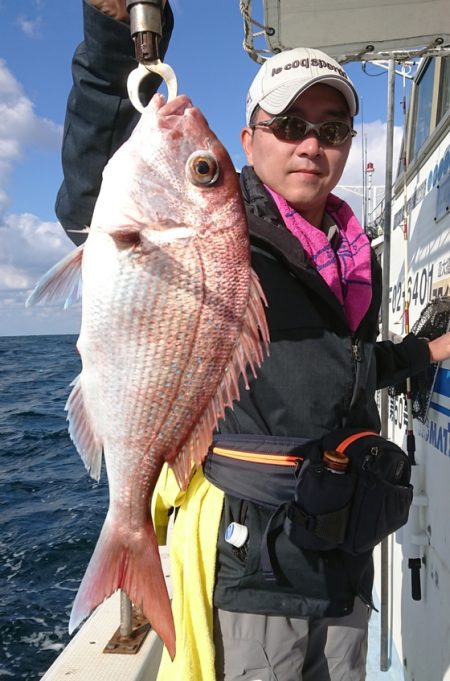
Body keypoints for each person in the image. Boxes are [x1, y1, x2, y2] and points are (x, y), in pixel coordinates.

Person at [56, 3, 450, 680]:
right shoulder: (228, 228)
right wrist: (110, 43)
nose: (311, 144)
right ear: (250, 137)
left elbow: (342, 367)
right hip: (259, 555)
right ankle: (128, 533)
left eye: (331, 129)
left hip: (345, 548)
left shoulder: (354, 248)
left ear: (350, 143)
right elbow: (90, 189)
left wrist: (428, 353)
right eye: (291, 125)